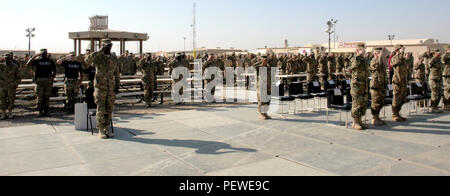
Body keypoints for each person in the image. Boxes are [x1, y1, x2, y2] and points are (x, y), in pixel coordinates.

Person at [85, 39, 120, 139]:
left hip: (110, 87)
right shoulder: (98, 57)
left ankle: (107, 128)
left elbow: (116, 72)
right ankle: (100, 129)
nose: (109, 47)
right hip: (100, 87)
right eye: (107, 46)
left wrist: (117, 84)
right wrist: (100, 50)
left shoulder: (113, 57)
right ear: (103, 46)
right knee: (101, 108)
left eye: (110, 46)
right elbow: (87, 61)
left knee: (109, 108)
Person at [26, 49, 56, 117]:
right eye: (42, 53)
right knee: (40, 96)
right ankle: (40, 111)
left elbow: (54, 70)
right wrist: (35, 56)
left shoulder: (50, 61)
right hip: (39, 80)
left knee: (47, 96)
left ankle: (46, 111)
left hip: (48, 80)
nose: (44, 54)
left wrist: (52, 78)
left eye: (45, 53)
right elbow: (28, 64)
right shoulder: (37, 61)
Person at [348, 43, 369, 130]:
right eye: (361, 49)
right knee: (356, 103)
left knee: (362, 103)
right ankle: (355, 122)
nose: (363, 51)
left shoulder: (363, 60)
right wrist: (358, 56)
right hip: (356, 85)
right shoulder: (354, 59)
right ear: (357, 50)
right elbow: (353, 67)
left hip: (363, 84)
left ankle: (359, 121)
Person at [369, 48, 387, 126]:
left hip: (381, 83)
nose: (381, 55)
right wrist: (379, 57)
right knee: (375, 101)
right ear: (375, 53)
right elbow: (377, 66)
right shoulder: (373, 61)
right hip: (375, 84)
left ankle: (377, 117)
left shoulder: (381, 60)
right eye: (379, 53)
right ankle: (374, 118)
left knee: (380, 101)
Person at [390, 45, 408, 121]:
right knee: (396, 98)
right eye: (401, 49)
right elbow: (393, 64)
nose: (402, 51)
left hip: (403, 80)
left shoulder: (402, 59)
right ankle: (394, 114)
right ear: (397, 50)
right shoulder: (394, 58)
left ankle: (397, 113)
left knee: (402, 98)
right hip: (397, 80)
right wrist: (400, 54)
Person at [0, 53, 21, 119]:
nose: (7, 60)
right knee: (2, 100)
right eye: (5, 59)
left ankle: (10, 112)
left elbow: (18, 77)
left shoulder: (15, 66)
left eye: (8, 58)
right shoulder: (1, 66)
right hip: (2, 85)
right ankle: (3, 113)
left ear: (10, 59)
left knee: (11, 99)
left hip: (11, 85)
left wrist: (16, 84)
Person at [256, 52, 276, 120]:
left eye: (266, 59)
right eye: (264, 59)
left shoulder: (268, 66)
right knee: (262, 100)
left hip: (268, 85)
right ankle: (261, 114)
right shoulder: (258, 67)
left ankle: (265, 113)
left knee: (267, 99)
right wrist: (260, 62)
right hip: (261, 85)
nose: (265, 60)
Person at [443, 46, 450, 111]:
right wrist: (447, 53)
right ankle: (446, 104)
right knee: (447, 89)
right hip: (447, 74)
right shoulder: (446, 56)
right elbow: (443, 59)